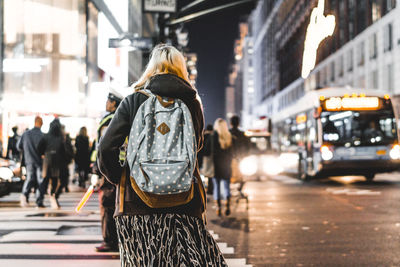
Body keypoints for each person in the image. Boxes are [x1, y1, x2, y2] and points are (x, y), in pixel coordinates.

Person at [97, 44, 226, 266]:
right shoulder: (192, 103)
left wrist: (121, 177)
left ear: (151, 68)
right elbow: (196, 147)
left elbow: (105, 148)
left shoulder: (133, 101)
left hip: (136, 204)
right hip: (184, 203)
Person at [91, 88, 123, 252]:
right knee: (114, 204)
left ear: (114, 104)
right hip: (115, 167)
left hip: (107, 169)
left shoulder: (110, 121)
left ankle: (110, 241)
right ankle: (115, 240)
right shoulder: (118, 119)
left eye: (108, 101)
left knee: (107, 204)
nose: (106, 104)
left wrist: (98, 170)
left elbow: (103, 148)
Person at [37, 118, 66, 209]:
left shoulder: (46, 136)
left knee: (44, 180)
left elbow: (39, 148)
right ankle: (53, 197)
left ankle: (40, 200)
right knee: (54, 180)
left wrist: (43, 154)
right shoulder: (60, 138)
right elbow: (63, 151)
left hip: (47, 159)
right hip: (56, 160)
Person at [17, 116, 44, 208]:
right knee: (40, 181)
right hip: (39, 161)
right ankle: (39, 201)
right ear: (41, 124)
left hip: (29, 160)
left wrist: (27, 150)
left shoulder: (26, 134)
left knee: (30, 178)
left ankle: (24, 196)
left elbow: (18, 146)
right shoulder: (42, 135)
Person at [212, 118, 233, 216]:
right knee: (226, 186)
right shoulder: (229, 136)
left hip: (216, 166)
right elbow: (233, 152)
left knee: (216, 187)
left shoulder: (213, 136)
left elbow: (208, 150)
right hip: (227, 165)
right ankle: (228, 204)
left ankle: (218, 207)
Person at [199, 124, 215, 195]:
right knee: (210, 175)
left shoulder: (202, 136)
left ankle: (202, 189)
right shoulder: (213, 137)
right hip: (209, 159)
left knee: (202, 175)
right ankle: (210, 190)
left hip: (201, 158)